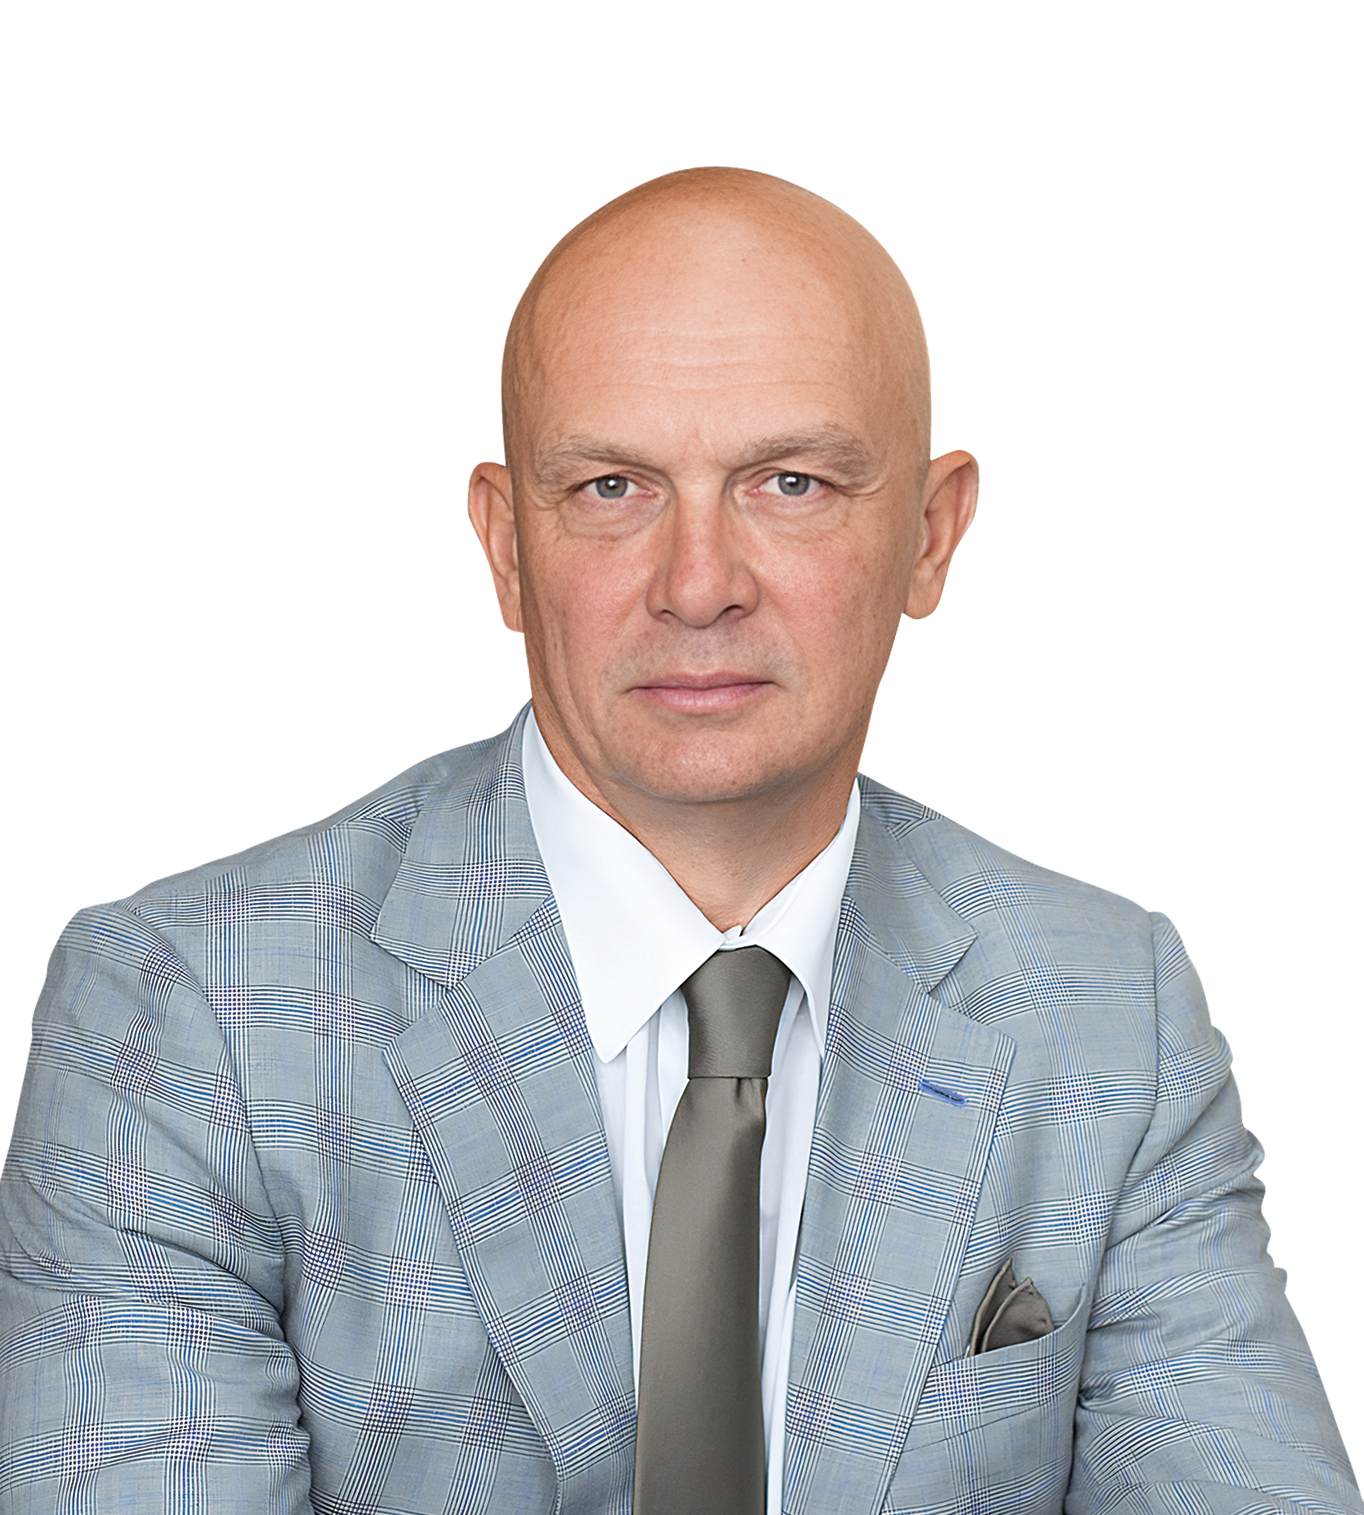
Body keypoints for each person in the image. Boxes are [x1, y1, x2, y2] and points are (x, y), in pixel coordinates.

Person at [0, 167, 1355, 1515]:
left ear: (931, 535)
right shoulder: (188, 1016)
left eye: (791, 482)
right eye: (611, 488)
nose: (699, 585)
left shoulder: (1109, 1013)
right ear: (506, 546)